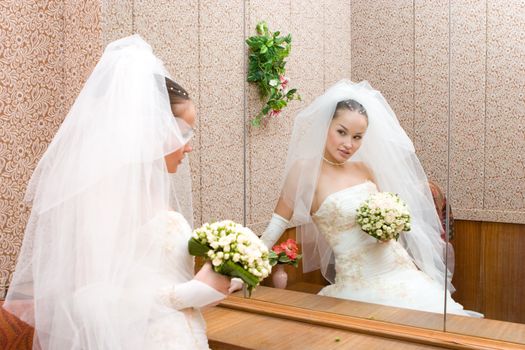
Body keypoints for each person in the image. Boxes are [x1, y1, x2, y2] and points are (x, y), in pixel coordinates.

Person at [3, 35, 240, 350]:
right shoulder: (102, 198)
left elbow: (155, 277)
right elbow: (84, 302)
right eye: (182, 133)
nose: (189, 146)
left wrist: (221, 281)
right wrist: (183, 295)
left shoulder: (157, 191)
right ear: (149, 131)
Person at [261, 80, 481, 317]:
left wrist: (390, 222)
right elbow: (276, 225)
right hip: (358, 282)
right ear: (326, 126)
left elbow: (391, 220)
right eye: (341, 132)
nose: (349, 144)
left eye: (357, 137)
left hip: (400, 270)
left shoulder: (364, 169)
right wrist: (242, 266)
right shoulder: (305, 171)